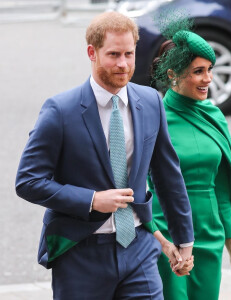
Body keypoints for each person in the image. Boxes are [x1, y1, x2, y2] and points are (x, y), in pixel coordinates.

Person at [15, 12, 194, 300]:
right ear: (92, 52)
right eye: (113, 54)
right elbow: (27, 181)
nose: (123, 64)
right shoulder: (60, 111)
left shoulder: (151, 102)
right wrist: (92, 200)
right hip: (80, 253)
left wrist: (184, 239)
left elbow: (167, 174)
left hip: (138, 248)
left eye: (129, 54)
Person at [147, 15, 231, 300]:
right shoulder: (154, 118)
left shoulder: (215, 116)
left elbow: (222, 191)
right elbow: (142, 186)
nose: (208, 80)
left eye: (210, 70)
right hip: (166, 234)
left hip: (209, 232)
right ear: (172, 75)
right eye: (198, 72)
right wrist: (161, 240)